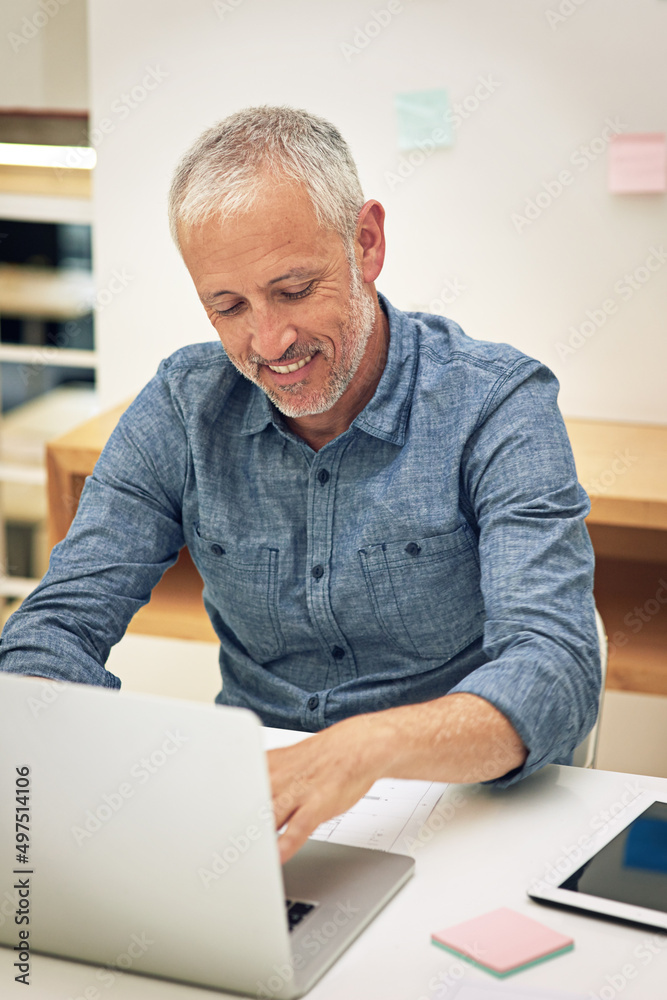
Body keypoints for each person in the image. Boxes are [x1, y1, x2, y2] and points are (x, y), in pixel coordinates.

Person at [0, 106, 600, 863]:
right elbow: (57, 624)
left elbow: (555, 666)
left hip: (464, 811)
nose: (268, 343)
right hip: (255, 820)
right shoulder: (184, 407)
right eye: (229, 307)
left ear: (366, 243)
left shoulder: (495, 404)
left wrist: (361, 749)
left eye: (292, 289)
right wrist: (59, 766)